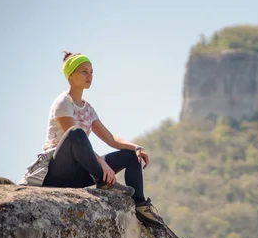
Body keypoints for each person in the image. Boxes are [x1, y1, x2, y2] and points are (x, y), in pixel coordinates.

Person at [21, 51, 164, 228]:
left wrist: (136, 147)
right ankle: (104, 183)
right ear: (71, 75)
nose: (90, 76)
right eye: (84, 72)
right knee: (76, 133)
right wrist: (102, 165)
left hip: (79, 173)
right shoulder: (62, 103)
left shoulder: (88, 108)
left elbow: (110, 139)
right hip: (57, 171)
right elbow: (74, 138)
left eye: (91, 72)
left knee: (130, 155)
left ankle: (140, 206)